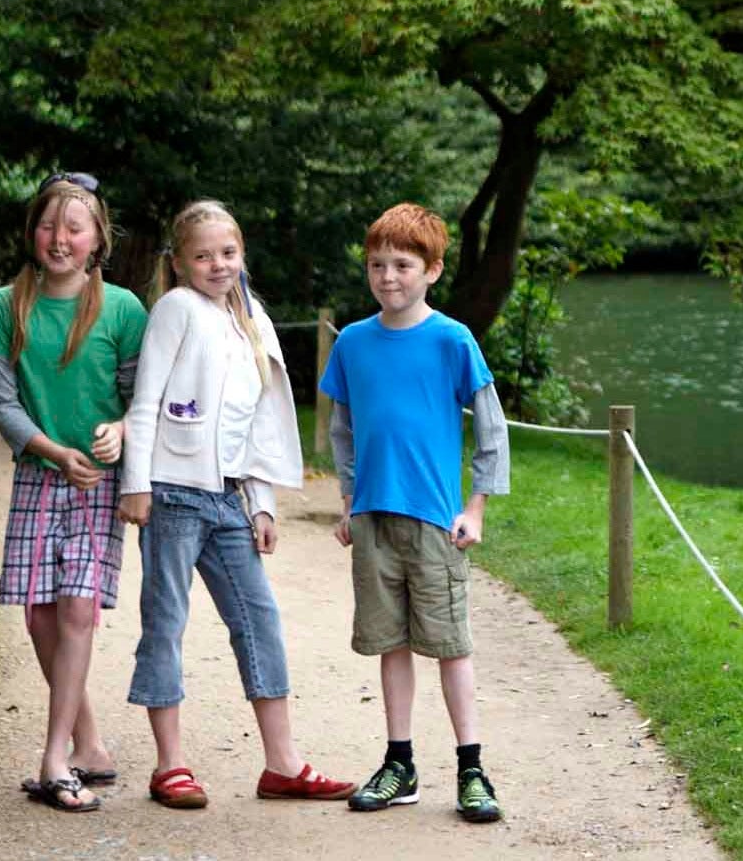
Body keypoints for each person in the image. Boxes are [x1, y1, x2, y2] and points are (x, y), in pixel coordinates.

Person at [116, 199, 351, 808]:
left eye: (228, 253)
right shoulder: (176, 310)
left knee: (258, 618)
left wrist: (261, 502)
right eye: (203, 255)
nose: (217, 264)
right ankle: (169, 765)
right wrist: (135, 483)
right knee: (166, 621)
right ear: (180, 261)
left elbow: (256, 426)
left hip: (227, 502)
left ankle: (283, 764)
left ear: (242, 254)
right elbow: (146, 401)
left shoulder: (252, 321)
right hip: (171, 495)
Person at [320, 203, 509, 824]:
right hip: (373, 517)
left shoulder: (452, 340)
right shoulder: (352, 343)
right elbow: (342, 430)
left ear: (432, 269)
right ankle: (399, 763)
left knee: (450, 645)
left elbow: (491, 430)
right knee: (389, 642)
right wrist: (348, 499)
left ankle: (472, 768)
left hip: (434, 520)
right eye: (377, 265)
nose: (388, 277)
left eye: (402, 265)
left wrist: (475, 506)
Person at [0, 173, 150, 813]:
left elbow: (141, 399)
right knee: (40, 613)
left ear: (98, 237)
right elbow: (3, 404)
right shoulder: (3, 305)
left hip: (99, 483)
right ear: (32, 232)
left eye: (75, 227)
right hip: (41, 474)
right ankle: (90, 743)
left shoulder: (123, 309)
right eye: (49, 225)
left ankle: (55, 759)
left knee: (78, 611)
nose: (60, 239)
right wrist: (51, 449)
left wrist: (122, 430)